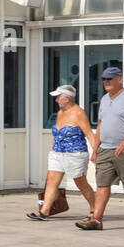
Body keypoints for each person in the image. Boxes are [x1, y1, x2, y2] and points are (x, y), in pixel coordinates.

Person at [77, 67, 124, 231]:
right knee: (102, 184)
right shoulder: (104, 99)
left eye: (110, 78)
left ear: (120, 79)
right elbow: (101, 125)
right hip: (105, 148)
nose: (106, 81)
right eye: (104, 79)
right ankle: (96, 219)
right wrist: (96, 149)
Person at [27, 85, 96, 220]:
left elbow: (89, 134)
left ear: (67, 98)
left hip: (75, 154)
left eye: (58, 97)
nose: (56, 100)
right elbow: (57, 134)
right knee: (52, 180)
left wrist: (96, 153)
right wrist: (53, 149)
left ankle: (95, 209)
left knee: (80, 182)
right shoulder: (59, 113)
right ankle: (44, 211)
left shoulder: (78, 113)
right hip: (57, 153)